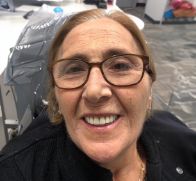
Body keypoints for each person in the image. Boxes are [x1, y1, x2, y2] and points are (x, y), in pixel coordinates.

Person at [0, 9, 196, 181]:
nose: (95, 91)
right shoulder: (17, 171)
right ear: (56, 96)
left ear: (149, 89)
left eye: (120, 66)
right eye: (74, 69)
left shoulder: (183, 143)